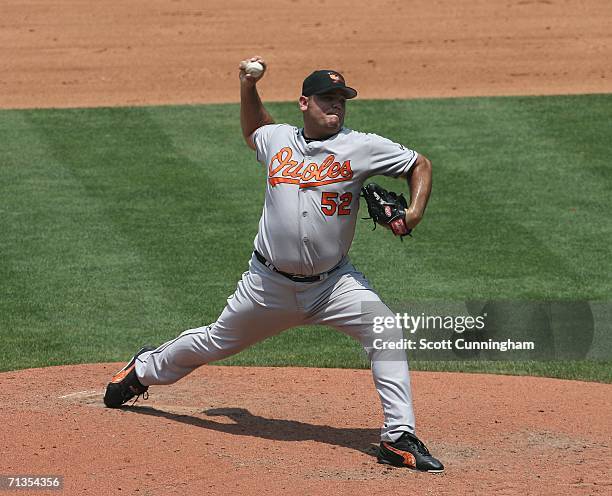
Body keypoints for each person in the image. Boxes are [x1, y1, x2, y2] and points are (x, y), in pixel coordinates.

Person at [104, 56, 443, 472]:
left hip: (334, 285)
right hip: (268, 286)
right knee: (214, 342)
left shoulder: (362, 146)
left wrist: (413, 213)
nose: (336, 106)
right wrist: (248, 86)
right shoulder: (278, 139)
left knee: (386, 329)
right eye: (326, 99)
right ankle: (143, 370)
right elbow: (254, 129)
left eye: (341, 99)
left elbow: (418, 164)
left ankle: (397, 437)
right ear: (304, 102)